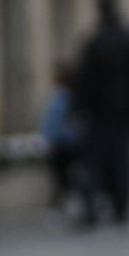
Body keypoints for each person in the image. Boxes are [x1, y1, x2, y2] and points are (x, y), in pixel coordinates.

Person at [73, 0, 129, 228]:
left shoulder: (95, 44)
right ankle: (122, 205)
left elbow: (85, 80)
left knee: (95, 161)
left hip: (99, 113)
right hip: (126, 112)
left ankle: (93, 205)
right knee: (123, 158)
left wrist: (79, 108)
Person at [39, 61, 83, 220]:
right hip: (70, 144)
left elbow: (51, 123)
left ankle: (60, 209)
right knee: (69, 178)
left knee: (60, 179)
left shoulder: (58, 97)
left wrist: (47, 140)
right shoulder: (72, 96)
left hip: (60, 146)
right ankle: (70, 206)